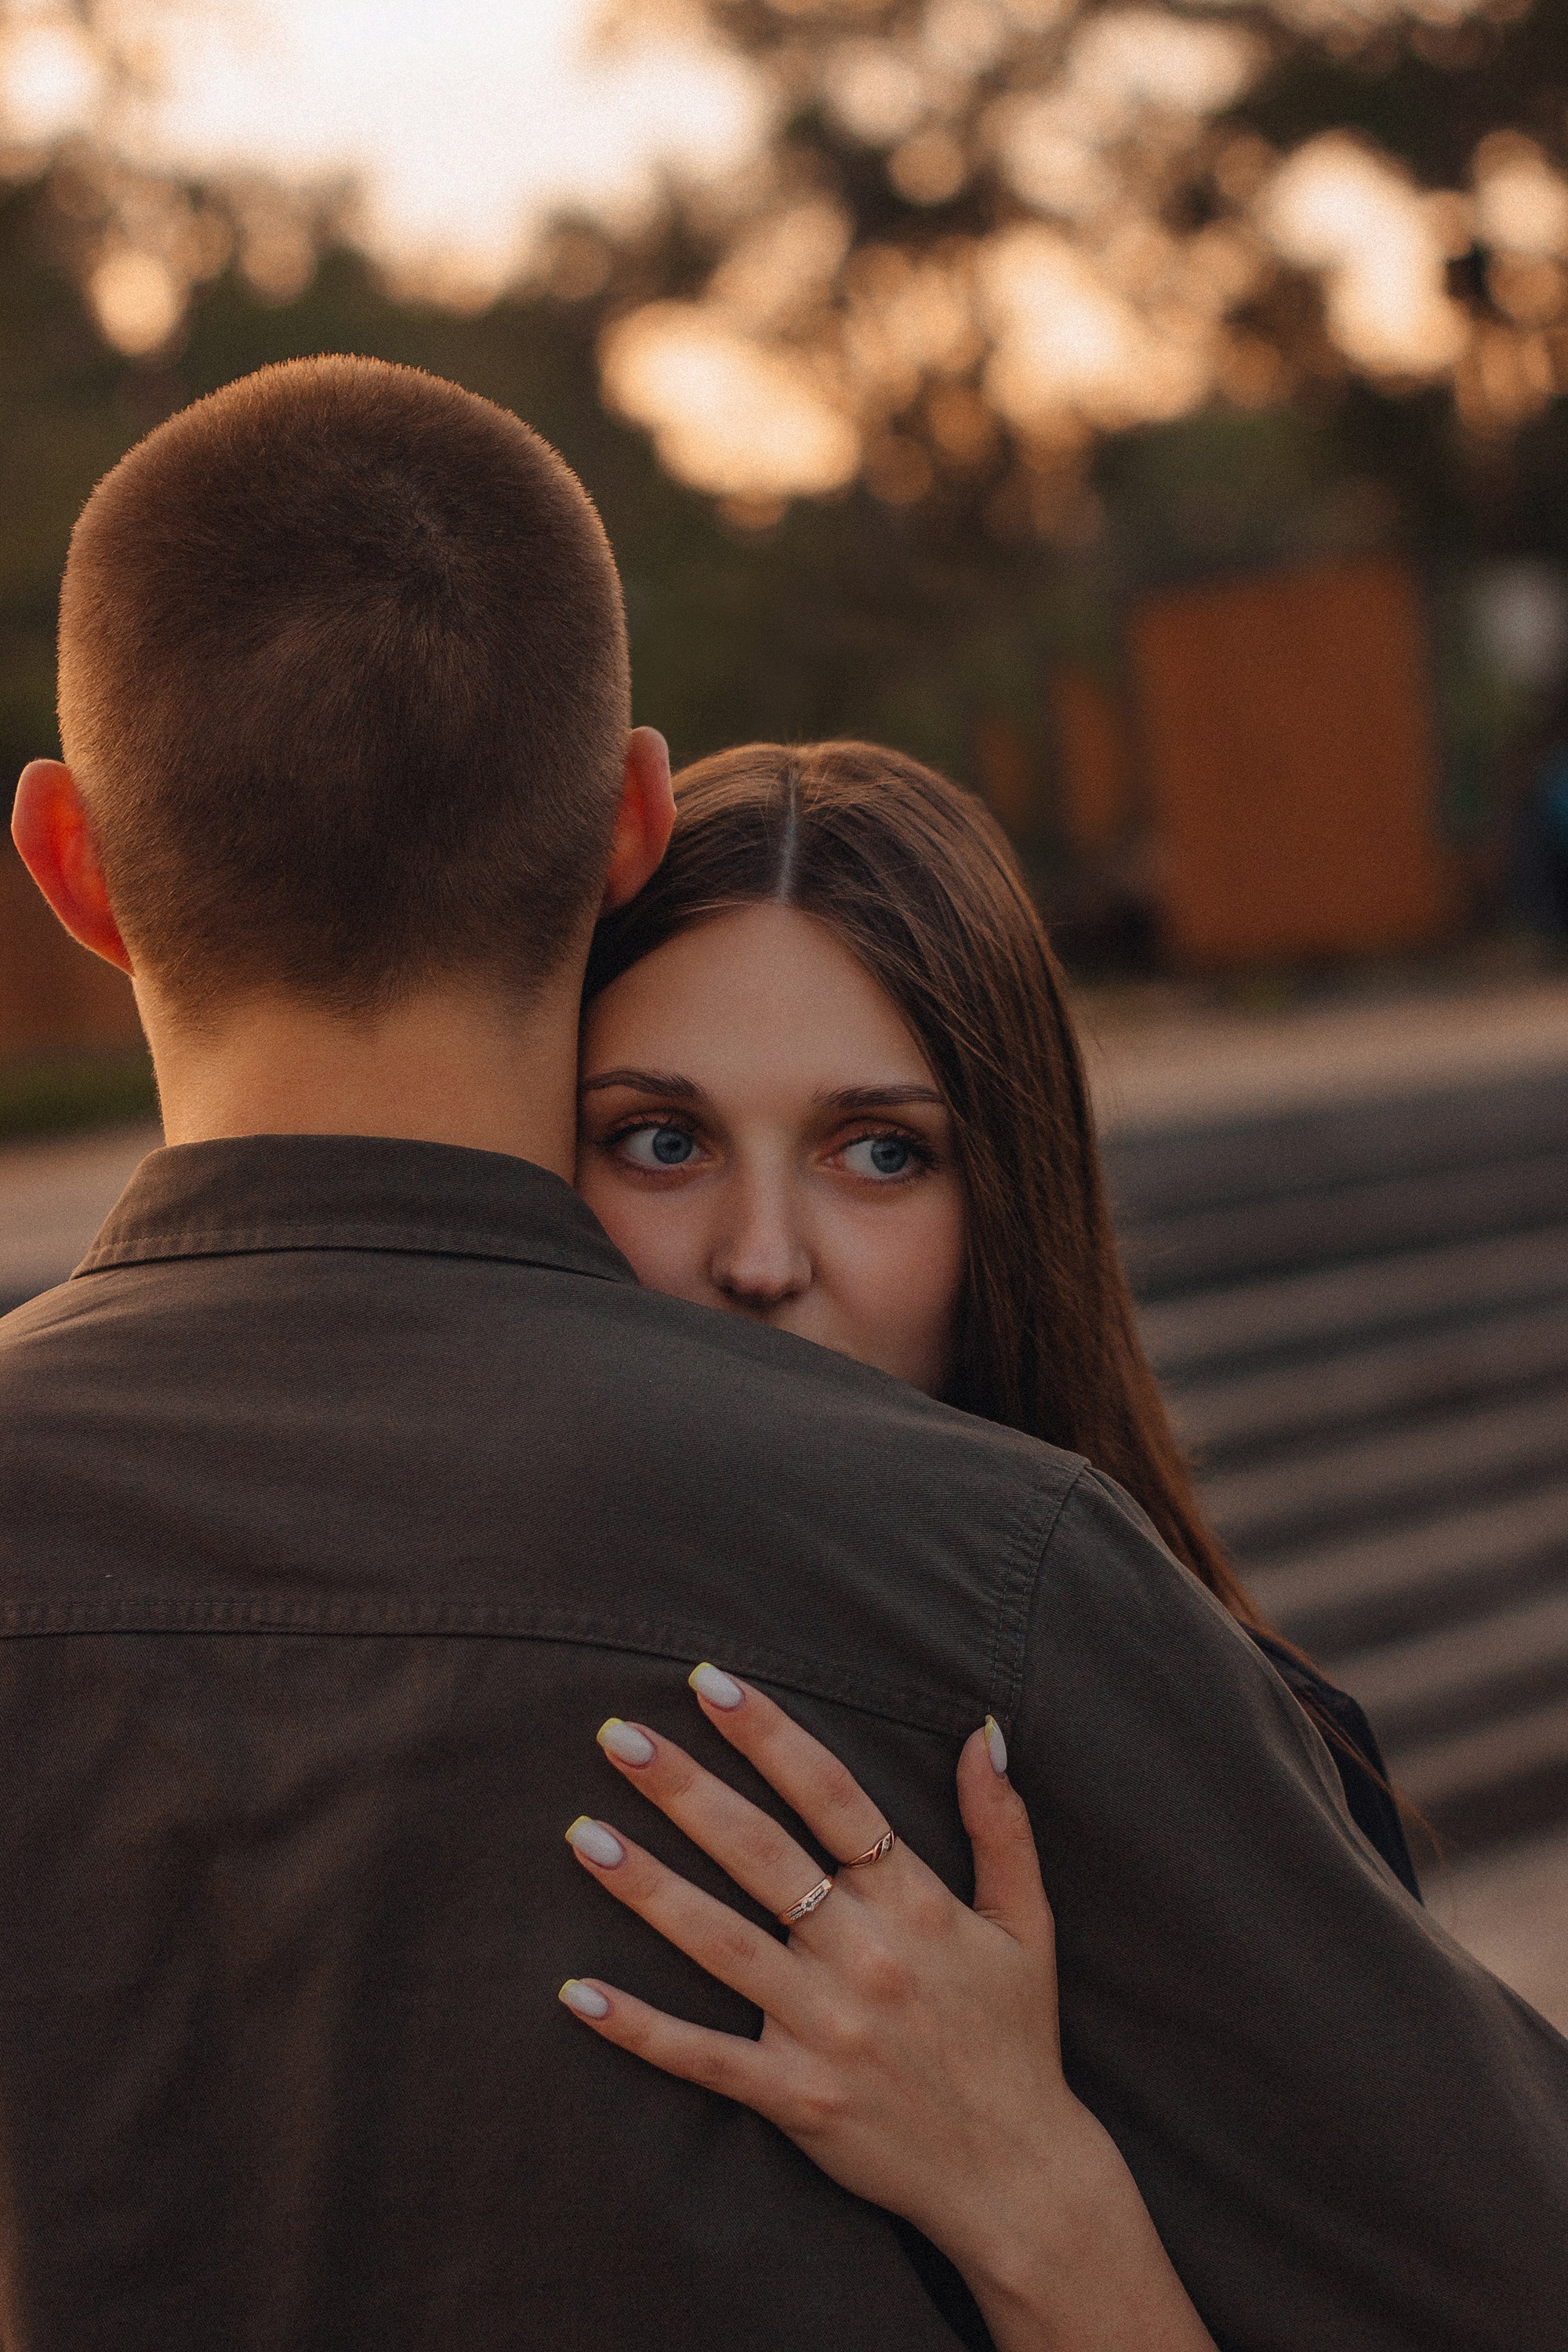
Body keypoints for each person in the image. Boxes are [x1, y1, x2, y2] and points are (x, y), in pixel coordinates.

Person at [0, 358, 1564, 2352]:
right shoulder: (996, 1591)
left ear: (70, 868)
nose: (761, 1259)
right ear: (629, 827)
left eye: (879, 1152)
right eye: (661, 1135)